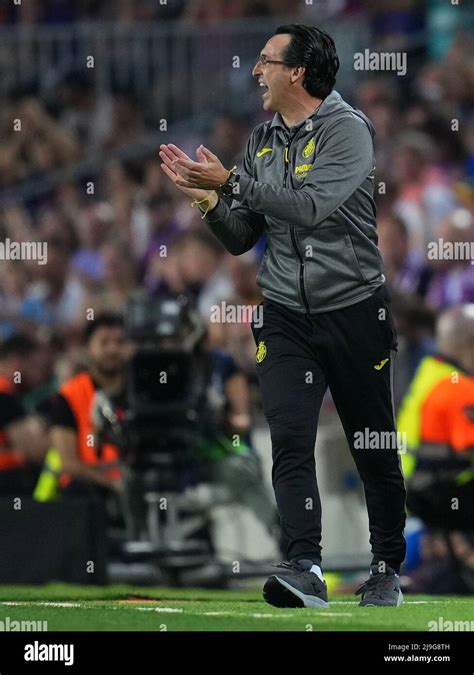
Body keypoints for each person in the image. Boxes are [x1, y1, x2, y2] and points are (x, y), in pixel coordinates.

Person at [159, 24, 406, 607]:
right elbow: (245, 236)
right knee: (289, 438)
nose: (254, 72)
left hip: (352, 309)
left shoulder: (348, 132)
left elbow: (314, 207)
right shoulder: (262, 140)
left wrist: (233, 181)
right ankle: (305, 566)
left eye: (265, 61)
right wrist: (209, 200)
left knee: (371, 442)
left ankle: (386, 567)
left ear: (297, 72)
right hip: (286, 314)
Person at [35, 314, 128, 499]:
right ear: (88, 349)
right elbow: (67, 462)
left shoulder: (142, 390)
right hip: (92, 489)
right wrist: (113, 483)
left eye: (120, 342)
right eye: (104, 342)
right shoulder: (69, 396)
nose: (113, 349)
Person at [0, 335, 49, 493]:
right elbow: (31, 450)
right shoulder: (4, 395)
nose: (39, 374)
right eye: (34, 366)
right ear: (16, 361)